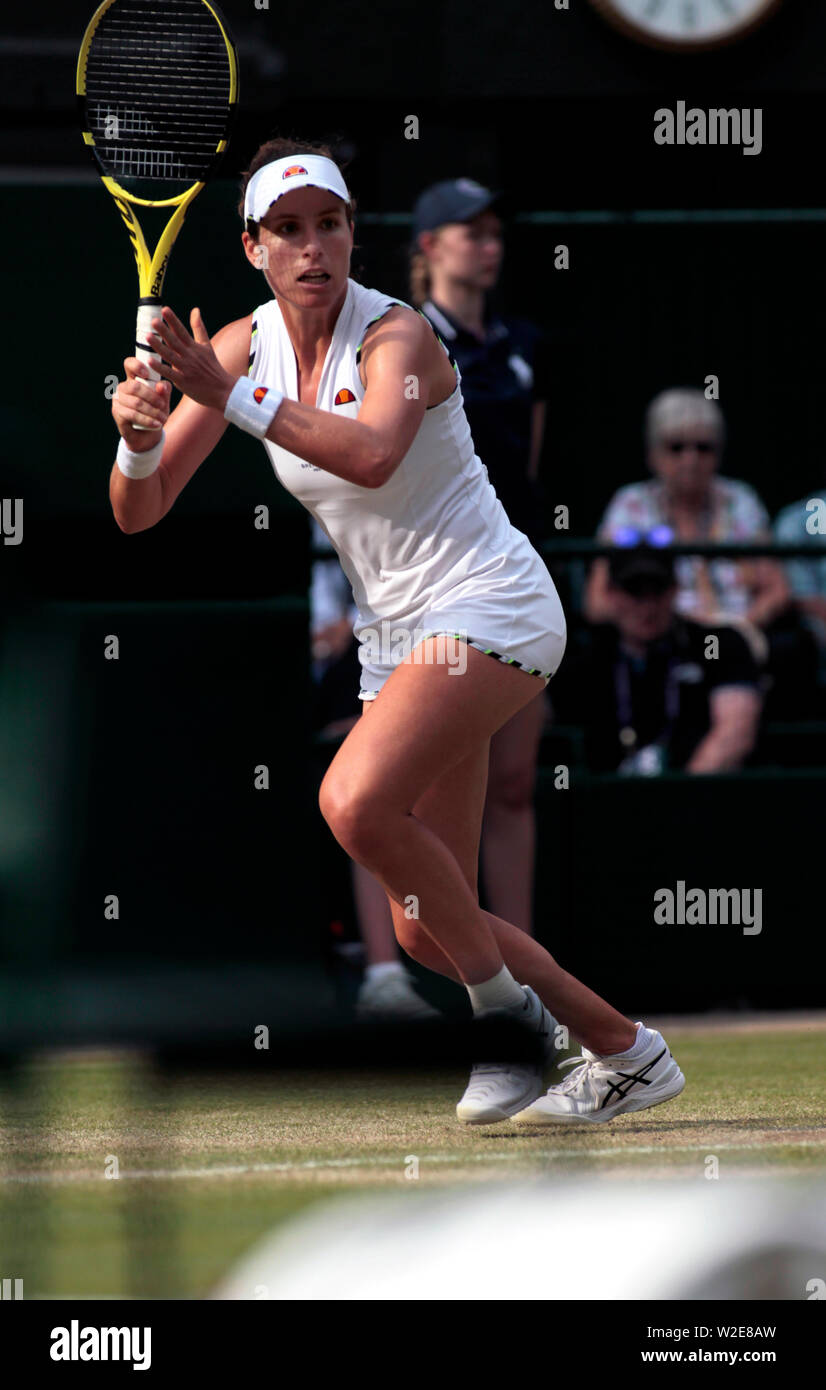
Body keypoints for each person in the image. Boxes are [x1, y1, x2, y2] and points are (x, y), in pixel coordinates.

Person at [109, 135, 684, 1126]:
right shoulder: (242, 346)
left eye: (327, 224)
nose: (311, 248)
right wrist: (136, 440)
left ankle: (502, 1024)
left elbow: (372, 453)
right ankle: (627, 1051)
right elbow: (142, 510)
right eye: (286, 231)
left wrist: (227, 392)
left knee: (351, 797)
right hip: (399, 637)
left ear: (351, 234)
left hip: (489, 602)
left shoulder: (401, 338)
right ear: (255, 249)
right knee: (426, 927)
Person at [410, 177, 552, 937]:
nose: (489, 246)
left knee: (515, 784)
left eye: (496, 233)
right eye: (472, 232)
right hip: (430, 589)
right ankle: (425, 970)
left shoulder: (524, 345)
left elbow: (525, 469)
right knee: (419, 795)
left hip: (510, 582)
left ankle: (524, 970)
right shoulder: (405, 342)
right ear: (430, 246)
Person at [552, 546, 763, 775]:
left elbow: (735, 733)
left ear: (674, 590)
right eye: (635, 591)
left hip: (697, 800)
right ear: (610, 594)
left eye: (657, 590)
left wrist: (677, 799)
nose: (647, 606)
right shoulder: (581, 654)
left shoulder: (720, 643)